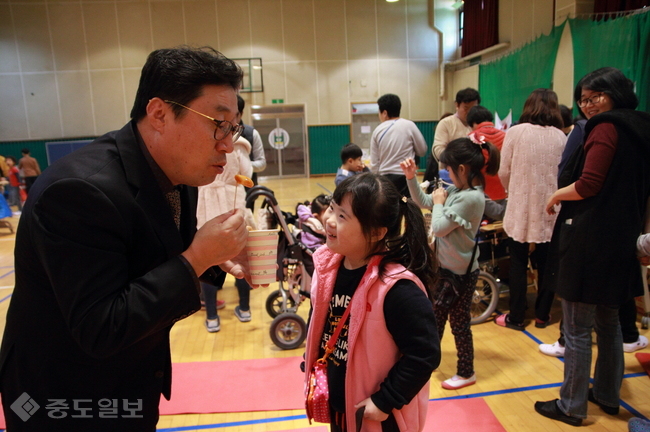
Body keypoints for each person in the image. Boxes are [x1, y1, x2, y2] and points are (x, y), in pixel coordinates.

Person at [0, 46, 257, 432]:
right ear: (159, 114)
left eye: (233, 127)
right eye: (218, 124)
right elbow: (101, 326)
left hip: (131, 382)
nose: (227, 143)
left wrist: (218, 261)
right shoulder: (78, 191)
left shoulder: (179, 174)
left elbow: (153, 257)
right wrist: (197, 258)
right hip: (64, 397)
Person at [535, 67, 650, 427]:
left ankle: (571, 405)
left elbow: (589, 183)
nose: (587, 106)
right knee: (611, 321)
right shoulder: (642, 127)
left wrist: (555, 195)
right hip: (623, 238)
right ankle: (607, 394)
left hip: (590, 239)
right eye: (583, 100)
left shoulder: (606, 127)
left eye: (594, 97)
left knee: (578, 328)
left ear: (613, 93)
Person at [304, 173, 440, 432]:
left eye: (342, 216)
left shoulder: (397, 289)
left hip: (376, 416)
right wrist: (311, 356)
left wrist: (385, 400)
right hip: (341, 404)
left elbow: (425, 354)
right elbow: (321, 319)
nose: (329, 220)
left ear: (376, 232)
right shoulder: (329, 268)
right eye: (332, 208)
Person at [402, 136, 499, 390]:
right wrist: (412, 177)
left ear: (463, 170)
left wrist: (438, 203)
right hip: (449, 270)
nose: (446, 174)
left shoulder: (472, 198)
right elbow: (424, 202)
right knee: (443, 320)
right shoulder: (460, 190)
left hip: (458, 274)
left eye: (449, 169)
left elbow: (439, 226)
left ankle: (449, 370)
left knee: (446, 322)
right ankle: (435, 366)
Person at [494, 89, 567, 331]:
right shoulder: (560, 136)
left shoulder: (515, 132)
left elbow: (503, 171)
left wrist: (511, 190)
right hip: (551, 208)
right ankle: (543, 315)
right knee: (547, 263)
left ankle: (516, 317)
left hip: (520, 206)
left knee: (517, 261)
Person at [196, 134, 257, 329]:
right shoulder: (238, 144)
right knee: (240, 257)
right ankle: (245, 309)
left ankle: (212, 318)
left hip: (206, 201)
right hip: (234, 200)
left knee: (209, 261)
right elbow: (247, 172)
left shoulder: (200, 140)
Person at [369, 94, 427, 198]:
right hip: (406, 176)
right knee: (410, 208)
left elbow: (374, 164)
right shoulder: (409, 125)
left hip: (385, 179)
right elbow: (422, 151)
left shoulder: (377, 130)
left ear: (385, 113)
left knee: (390, 211)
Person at [466, 105, 507, 220]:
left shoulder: (471, 138)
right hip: (504, 195)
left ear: (472, 123)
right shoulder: (507, 136)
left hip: (481, 198)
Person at [432, 88, 480, 162]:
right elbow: (439, 151)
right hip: (450, 171)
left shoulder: (479, 124)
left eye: (473, 108)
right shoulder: (445, 123)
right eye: (466, 108)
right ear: (457, 105)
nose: (470, 112)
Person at [236, 95, 266, 186]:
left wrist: (242, 165)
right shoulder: (218, 133)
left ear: (241, 114)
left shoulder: (251, 133)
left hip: (247, 188)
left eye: (234, 114)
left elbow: (261, 163)